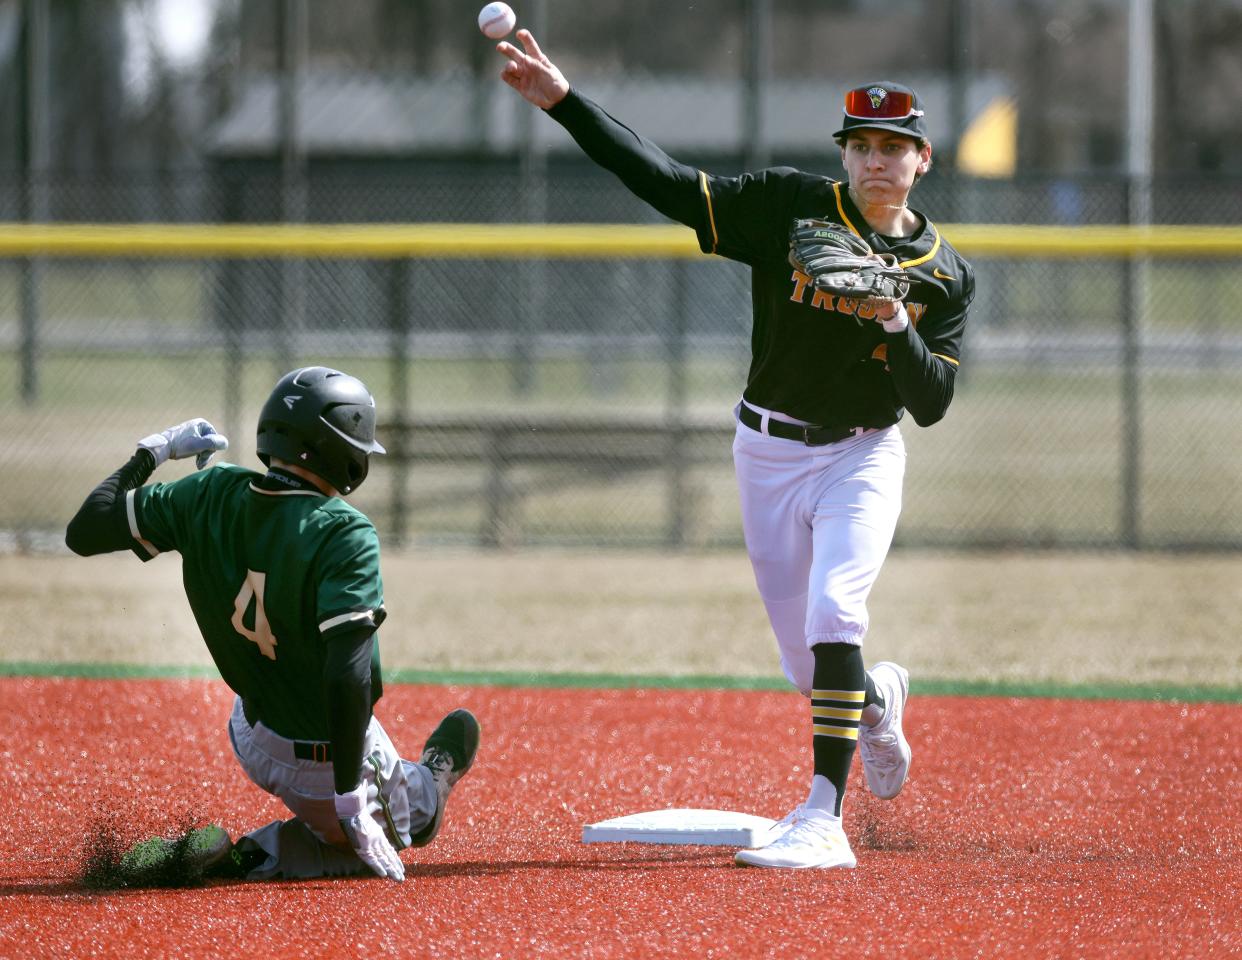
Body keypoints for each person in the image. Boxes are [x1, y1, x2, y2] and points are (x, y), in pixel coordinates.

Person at [497, 33, 973, 870]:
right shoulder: (791, 206)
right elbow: (671, 184)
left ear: (923, 158)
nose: (875, 162)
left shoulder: (942, 275)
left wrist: (893, 318)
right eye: (860, 146)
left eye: (893, 148)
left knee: (836, 615)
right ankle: (877, 705)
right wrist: (564, 102)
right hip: (767, 453)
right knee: (808, 668)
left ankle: (823, 817)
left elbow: (931, 403)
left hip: (863, 455)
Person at [65, 366, 480, 882]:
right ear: (341, 452)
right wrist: (350, 798)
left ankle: (283, 837)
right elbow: (346, 677)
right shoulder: (345, 533)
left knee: (345, 809)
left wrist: (153, 450)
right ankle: (422, 786)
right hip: (327, 761)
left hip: (252, 734)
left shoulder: (208, 492)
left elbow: (84, 530)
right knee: (407, 828)